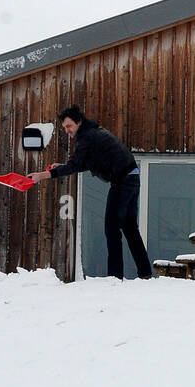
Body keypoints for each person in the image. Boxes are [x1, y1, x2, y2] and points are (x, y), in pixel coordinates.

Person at [28, 106, 153, 279]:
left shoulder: (87, 137)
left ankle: (115, 277)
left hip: (123, 180)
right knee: (130, 228)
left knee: (112, 228)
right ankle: (145, 273)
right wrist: (61, 167)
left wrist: (42, 175)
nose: (67, 130)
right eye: (64, 127)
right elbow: (82, 163)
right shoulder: (93, 133)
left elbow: (75, 165)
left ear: (79, 122)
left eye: (69, 126)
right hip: (132, 176)